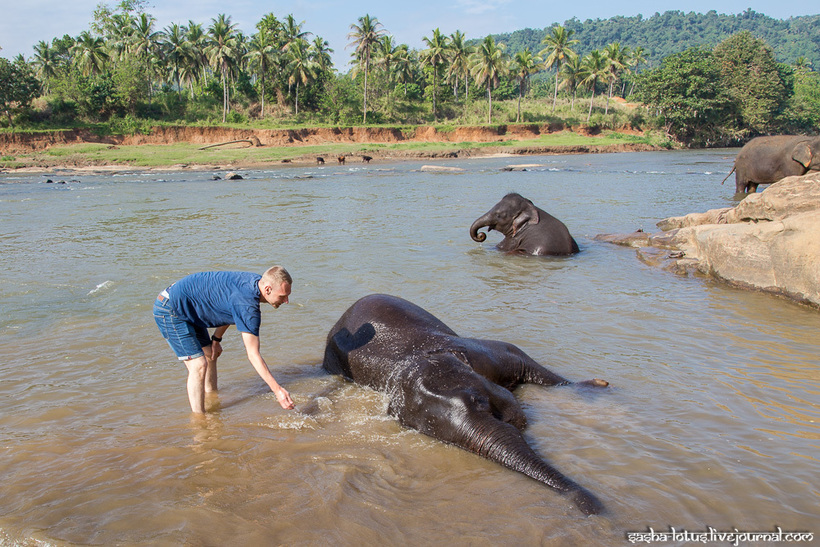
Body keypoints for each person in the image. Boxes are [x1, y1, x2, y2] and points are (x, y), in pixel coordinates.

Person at [153, 266, 295, 414]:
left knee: (211, 354)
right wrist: (277, 390)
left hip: (189, 305)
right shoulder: (247, 306)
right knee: (199, 365)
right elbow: (253, 354)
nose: (286, 301)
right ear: (267, 289)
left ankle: (212, 398)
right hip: (170, 309)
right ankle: (200, 421)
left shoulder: (254, 284)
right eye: (282, 296)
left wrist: (216, 339)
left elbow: (229, 307)